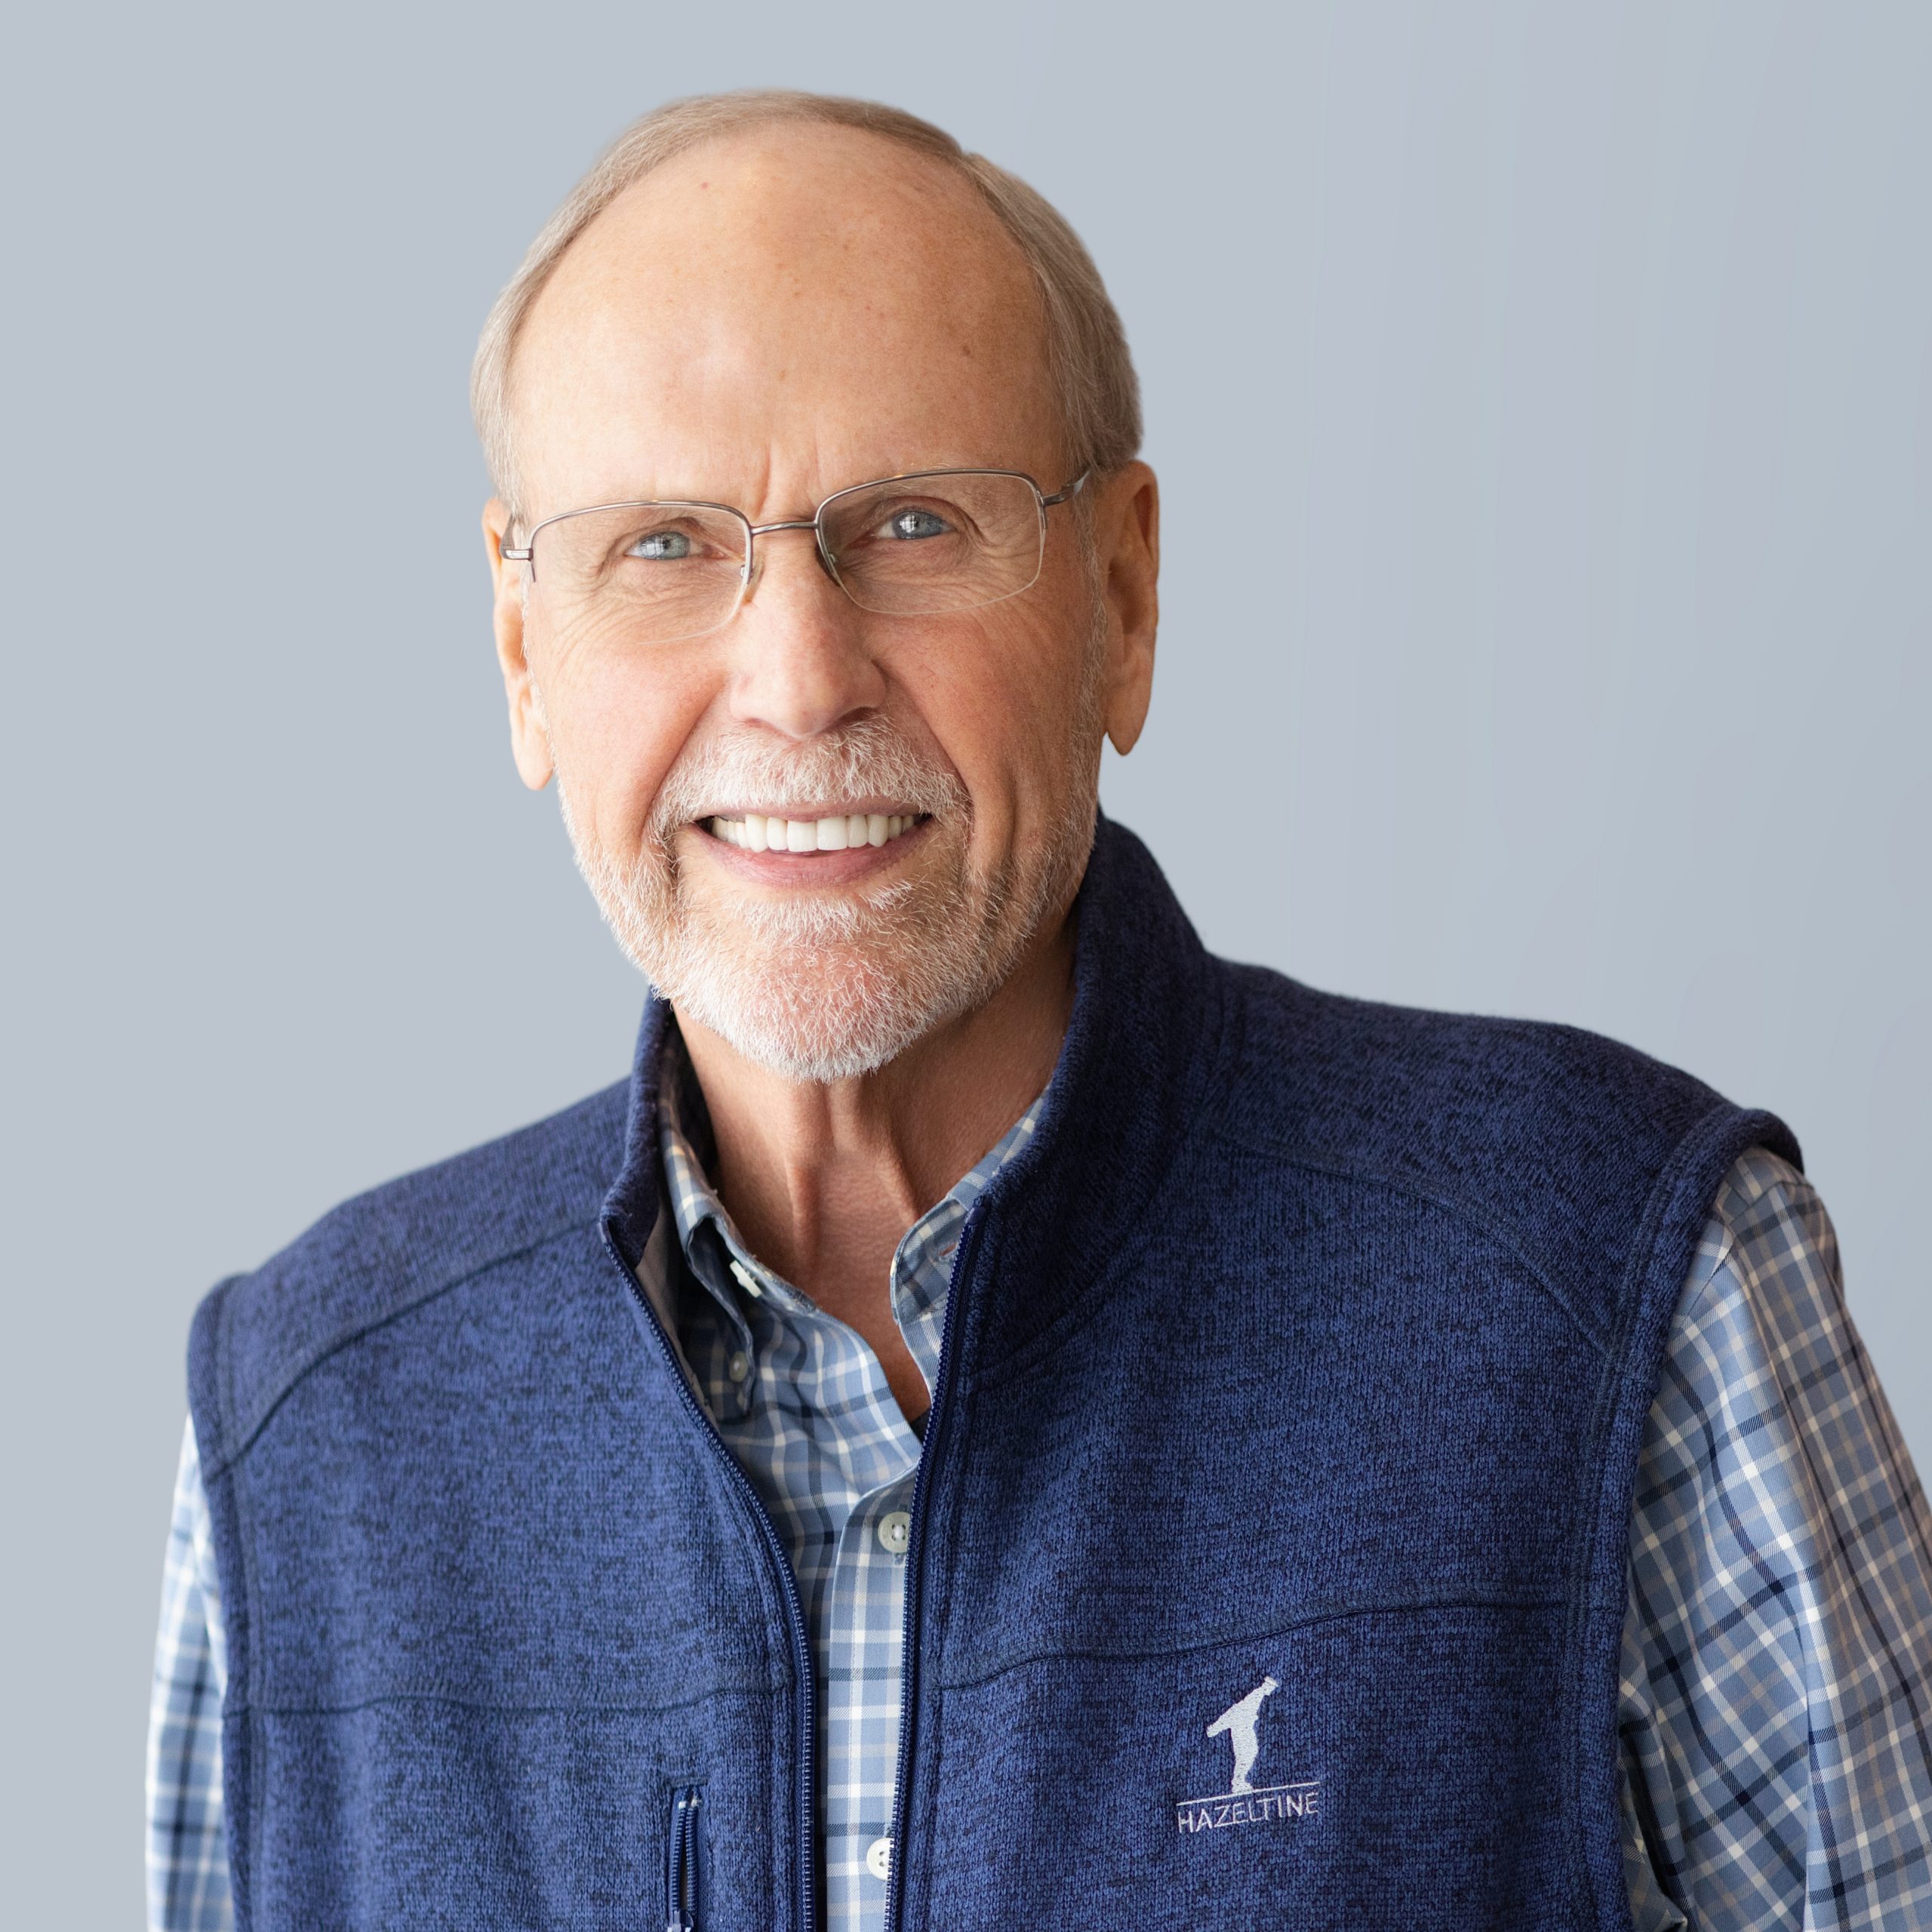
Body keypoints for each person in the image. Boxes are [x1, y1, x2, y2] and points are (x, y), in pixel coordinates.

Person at [146, 90, 1932, 1932]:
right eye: (664, 546)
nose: (797, 681)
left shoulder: (1606, 1282)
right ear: (527, 650)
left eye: (914, 522)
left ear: (1122, 598)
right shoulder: (308, 1437)